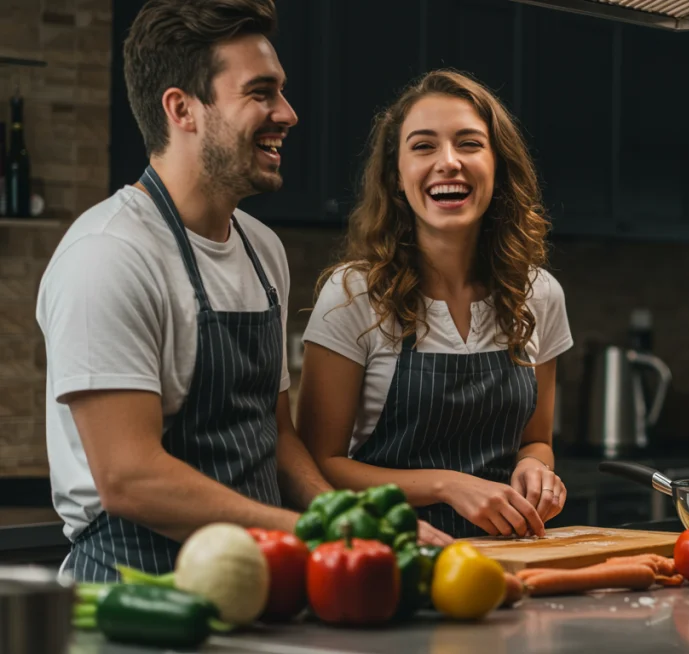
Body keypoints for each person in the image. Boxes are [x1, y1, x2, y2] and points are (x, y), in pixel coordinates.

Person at [41, 0, 337, 583]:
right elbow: (130, 477)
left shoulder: (262, 249)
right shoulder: (109, 256)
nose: (288, 113)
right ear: (182, 109)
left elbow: (274, 434)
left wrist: (342, 516)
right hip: (139, 589)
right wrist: (302, 532)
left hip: (251, 582)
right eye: (261, 92)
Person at [297, 70, 573, 540]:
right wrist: (447, 486)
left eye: (469, 143)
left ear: (498, 167)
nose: (449, 162)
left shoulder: (539, 294)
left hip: (508, 557)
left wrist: (535, 470)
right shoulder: (354, 295)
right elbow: (321, 465)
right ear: (397, 178)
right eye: (424, 146)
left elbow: (536, 440)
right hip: (388, 554)